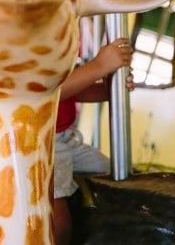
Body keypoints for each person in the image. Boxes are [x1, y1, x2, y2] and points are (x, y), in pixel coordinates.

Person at [53, 37, 135, 245]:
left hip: (65, 139)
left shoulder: (61, 41)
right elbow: (47, 92)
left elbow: (73, 89)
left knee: (112, 176)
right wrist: (99, 66)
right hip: (39, 141)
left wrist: (110, 87)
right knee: (58, 222)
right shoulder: (27, 40)